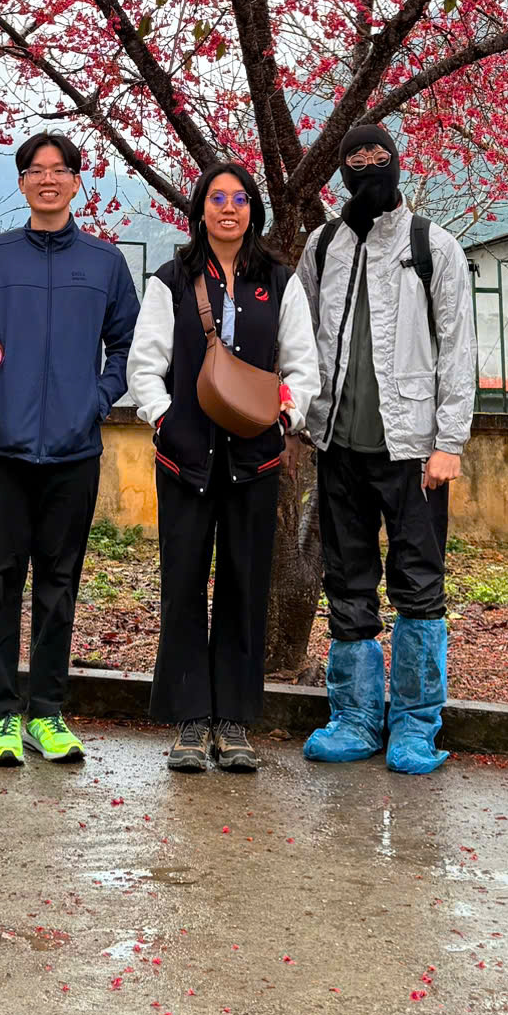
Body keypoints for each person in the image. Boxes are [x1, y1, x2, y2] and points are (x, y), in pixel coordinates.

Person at [0, 131, 140, 768]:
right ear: (23, 181)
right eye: (35, 170)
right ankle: (2, 716)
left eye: (59, 170)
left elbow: (127, 347)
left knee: (60, 583)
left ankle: (48, 715)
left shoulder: (105, 262)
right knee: (0, 582)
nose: (47, 180)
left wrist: (97, 399)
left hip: (73, 451)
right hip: (2, 450)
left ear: (77, 181)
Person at [294, 121, 476, 774]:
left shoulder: (434, 246)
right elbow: (305, 334)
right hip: (339, 444)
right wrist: (300, 413)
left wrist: (449, 442)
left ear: (397, 165)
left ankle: (417, 725)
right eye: (355, 161)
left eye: (379, 159)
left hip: (415, 450)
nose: (368, 170)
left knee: (419, 586)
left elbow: (458, 348)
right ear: (340, 172)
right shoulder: (324, 246)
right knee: (347, 581)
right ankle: (353, 717)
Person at [127, 159, 319, 774]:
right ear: (200, 208)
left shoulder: (279, 281)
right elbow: (144, 367)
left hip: (255, 462)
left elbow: (301, 368)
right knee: (183, 584)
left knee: (243, 586)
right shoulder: (172, 279)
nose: (228, 208)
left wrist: (280, 423)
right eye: (216, 197)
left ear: (252, 210)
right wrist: (166, 421)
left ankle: (234, 720)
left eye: (239, 198)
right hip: (184, 460)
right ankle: (189, 720)